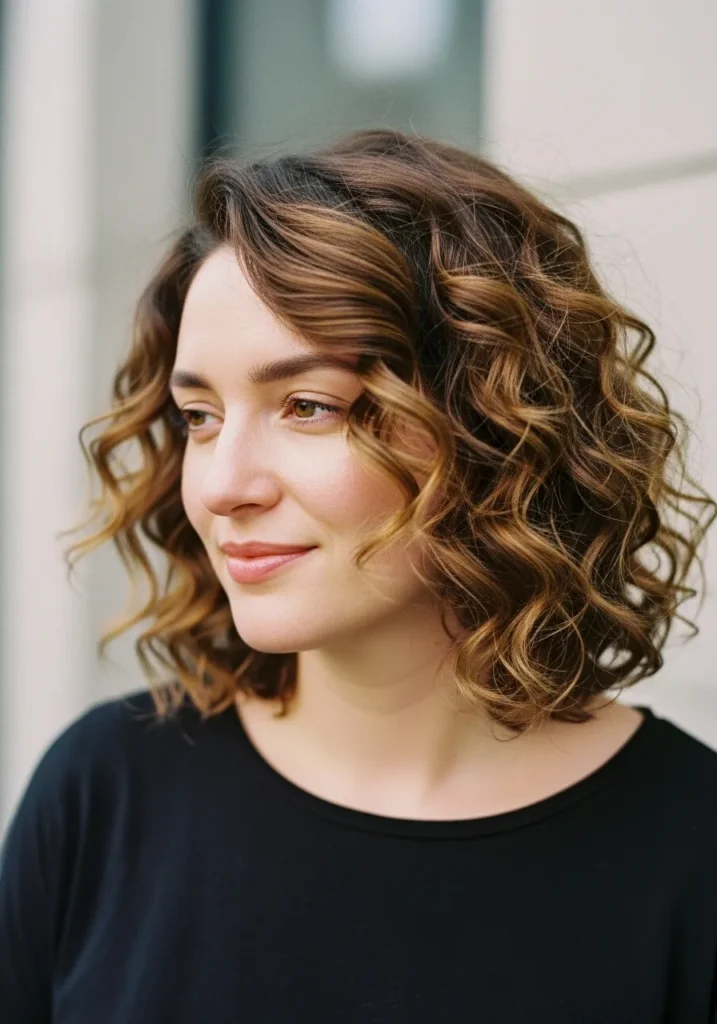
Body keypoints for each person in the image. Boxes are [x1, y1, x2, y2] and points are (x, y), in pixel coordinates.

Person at [1, 127, 716, 1022]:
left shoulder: (691, 853)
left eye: (308, 406)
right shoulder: (102, 797)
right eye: (199, 416)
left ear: (492, 430)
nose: (223, 486)